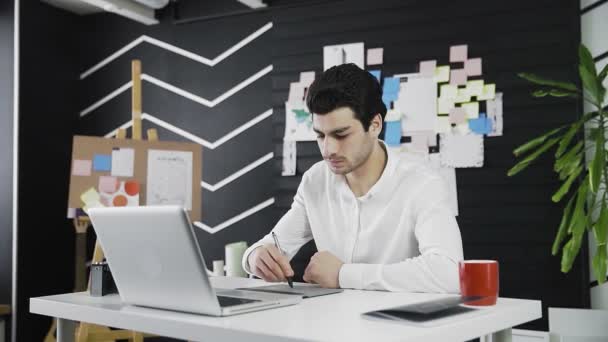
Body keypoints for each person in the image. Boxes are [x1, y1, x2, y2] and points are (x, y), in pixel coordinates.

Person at [241, 63, 463, 293]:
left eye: (341, 134)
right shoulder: (315, 180)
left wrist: (342, 274)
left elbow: (449, 273)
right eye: (320, 135)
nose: (328, 150)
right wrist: (254, 256)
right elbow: (273, 245)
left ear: (375, 125)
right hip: (332, 325)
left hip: (402, 326)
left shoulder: (423, 184)